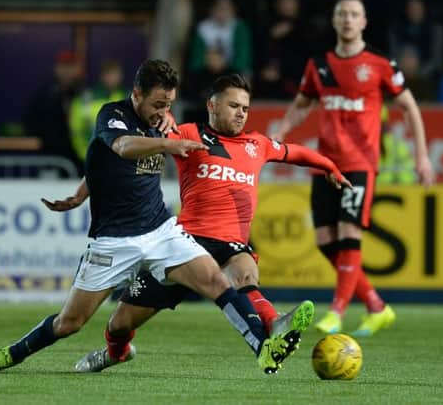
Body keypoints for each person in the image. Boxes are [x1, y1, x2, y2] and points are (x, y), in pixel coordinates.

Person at [0, 60, 306, 376]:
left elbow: (104, 166)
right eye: (157, 103)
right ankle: (10, 354)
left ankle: (263, 347)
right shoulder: (112, 115)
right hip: (113, 241)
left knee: (217, 282)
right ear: (137, 95)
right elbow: (122, 148)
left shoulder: (162, 122)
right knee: (69, 323)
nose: (163, 111)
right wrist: (166, 145)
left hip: (161, 230)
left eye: (168, 103)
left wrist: (79, 194)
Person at [44, 73, 350, 373]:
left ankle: (274, 323)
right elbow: (119, 157)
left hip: (232, 243)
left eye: (245, 108)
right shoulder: (186, 133)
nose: (241, 113)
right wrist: (81, 194)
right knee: (120, 323)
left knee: (245, 275)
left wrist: (330, 167)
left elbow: (295, 152)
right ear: (212, 106)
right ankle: (115, 352)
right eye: (233, 106)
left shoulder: (257, 144)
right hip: (183, 246)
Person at [271, 0, 435, 337]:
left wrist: (422, 155)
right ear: (334, 20)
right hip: (324, 163)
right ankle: (376, 305)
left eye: (353, 14)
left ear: (364, 21)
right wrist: (281, 131)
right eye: (341, 13)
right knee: (324, 238)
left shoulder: (379, 65)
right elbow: (302, 104)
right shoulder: (318, 66)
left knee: (348, 231)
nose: (347, 19)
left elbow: (409, 108)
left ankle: (337, 311)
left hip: (360, 163)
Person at [23, 50, 84, 176]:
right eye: (63, 66)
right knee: (49, 194)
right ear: (56, 68)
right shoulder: (44, 95)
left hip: (80, 161)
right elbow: (30, 122)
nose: (66, 71)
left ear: (77, 69)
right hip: (51, 158)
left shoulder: (85, 95)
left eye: (70, 66)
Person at [69, 59, 127, 164]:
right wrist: (86, 154)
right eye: (109, 74)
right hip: (90, 158)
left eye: (115, 74)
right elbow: (76, 130)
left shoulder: (129, 98)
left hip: (122, 161)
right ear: (102, 76)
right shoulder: (86, 100)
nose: (112, 78)